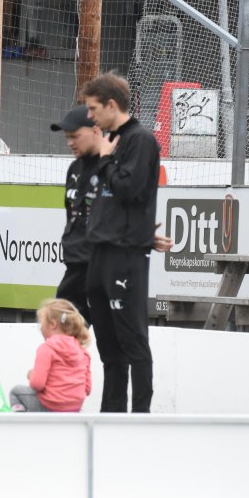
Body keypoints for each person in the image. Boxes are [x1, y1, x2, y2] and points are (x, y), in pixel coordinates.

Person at [81, 72, 160, 413]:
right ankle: (111, 415)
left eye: (94, 108)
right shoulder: (110, 141)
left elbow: (130, 190)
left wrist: (105, 160)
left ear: (112, 105)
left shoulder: (140, 140)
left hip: (125, 254)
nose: (90, 116)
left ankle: (140, 417)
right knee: (108, 347)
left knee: (133, 340)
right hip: (100, 252)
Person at [50, 105, 104, 323]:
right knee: (61, 332)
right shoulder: (74, 169)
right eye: (67, 137)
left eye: (75, 136)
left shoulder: (112, 167)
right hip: (75, 267)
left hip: (102, 269)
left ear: (96, 131)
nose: (70, 143)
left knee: (111, 337)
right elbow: (70, 213)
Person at [9, 298, 92, 413]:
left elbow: (37, 384)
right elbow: (87, 389)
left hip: (49, 407)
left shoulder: (47, 348)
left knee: (15, 392)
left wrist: (31, 375)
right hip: (74, 409)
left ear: (53, 324)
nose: (40, 327)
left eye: (41, 323)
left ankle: (23, 421)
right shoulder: (83, 352)